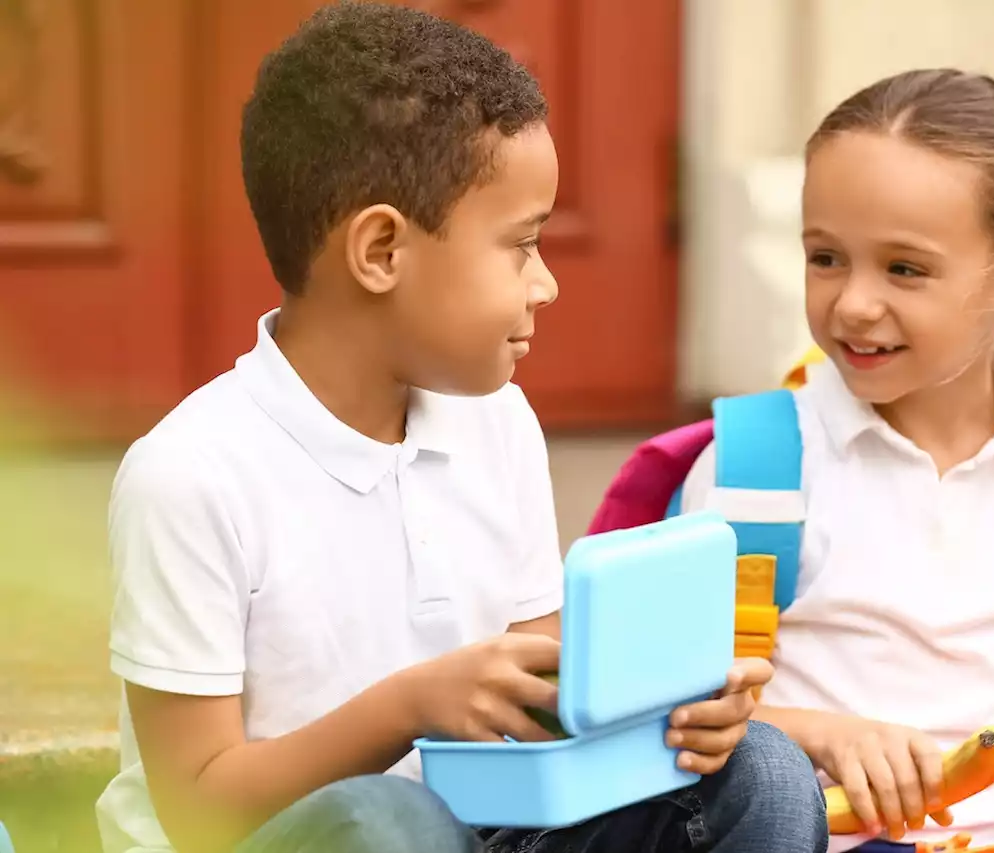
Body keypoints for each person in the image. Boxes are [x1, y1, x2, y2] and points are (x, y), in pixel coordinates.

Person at [95, 4, 827, 853]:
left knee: (760, 772)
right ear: (381, 252)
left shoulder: (494, 418)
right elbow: (197, 807)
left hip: (491, 826)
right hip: (315, 838)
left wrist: (673, 708)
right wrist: (411, 706)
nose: (545, 284)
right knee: (388, 820)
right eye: (521, 245)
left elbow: (544, 688)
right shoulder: (191, 475)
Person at [677, 70, 994, 851]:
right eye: (826, 257)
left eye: (904, 268)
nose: (853, 302)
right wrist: (821, 734)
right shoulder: (751, 467)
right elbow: (671, 714)